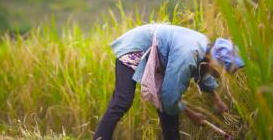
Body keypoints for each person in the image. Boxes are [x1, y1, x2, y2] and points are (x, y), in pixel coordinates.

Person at [93, 23, 244, 140]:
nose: (219, 75)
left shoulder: (205, 48)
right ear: (216, 59)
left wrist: (216, 99)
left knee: (168, 112)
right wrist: (192, 115)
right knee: (122, 100)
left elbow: (203, 71)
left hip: (157, 54)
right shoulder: (188, 54)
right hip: (135, 48)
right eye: (220, 70)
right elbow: (170, 97)